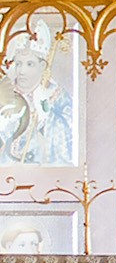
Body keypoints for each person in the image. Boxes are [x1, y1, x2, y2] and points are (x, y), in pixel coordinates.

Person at [0, 22, 74, 165]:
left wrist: (46, 117)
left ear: (42, 66)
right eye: (19, 63)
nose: (21, 71)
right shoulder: (6, 92)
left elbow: (68, 139)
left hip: (43, 170)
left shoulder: (56, 95)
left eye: (29, 64)